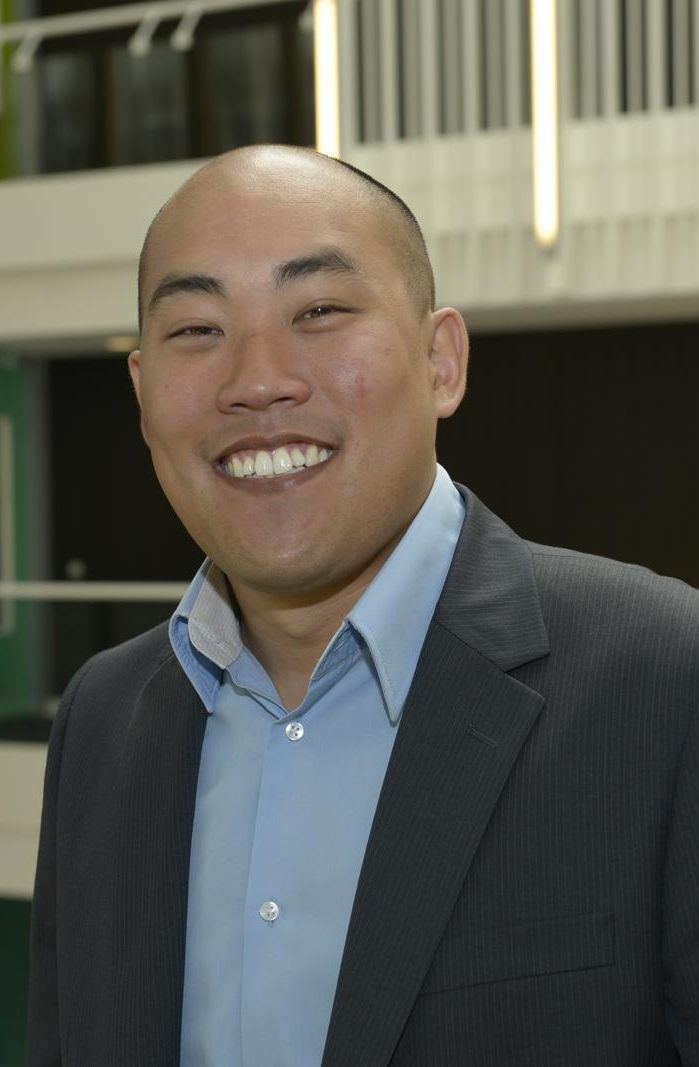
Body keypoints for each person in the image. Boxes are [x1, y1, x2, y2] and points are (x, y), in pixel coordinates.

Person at [26, 145, 698, 1067]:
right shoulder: (103, 717)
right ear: (142, 396)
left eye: (318, 311)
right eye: (197, 328)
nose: (256, 379)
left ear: (440, 361)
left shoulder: (664, 680)